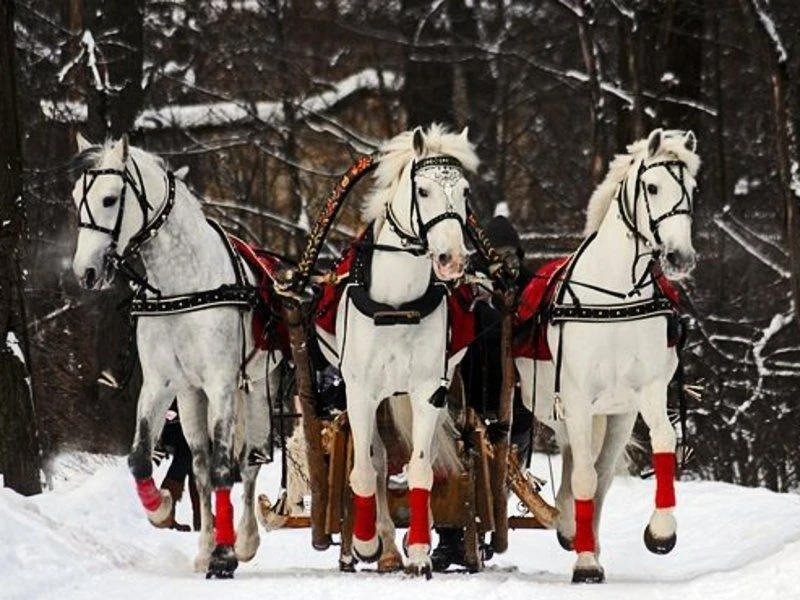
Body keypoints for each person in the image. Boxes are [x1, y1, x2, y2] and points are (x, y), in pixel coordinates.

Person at [431, 214, 534, 572]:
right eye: (495, 254)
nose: (503, 262)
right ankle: (447, 537)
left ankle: (488, 524)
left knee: (504, 455)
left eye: (509, 254)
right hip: (465, 390)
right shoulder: (464, 285)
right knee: (449, 457)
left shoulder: (528, 287)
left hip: (511, 398)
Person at [156, 400, 201, 531]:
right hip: (173, 416)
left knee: (197, 457)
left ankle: (201, 516)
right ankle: (163, 514)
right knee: (186, 455)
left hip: (190, 413)